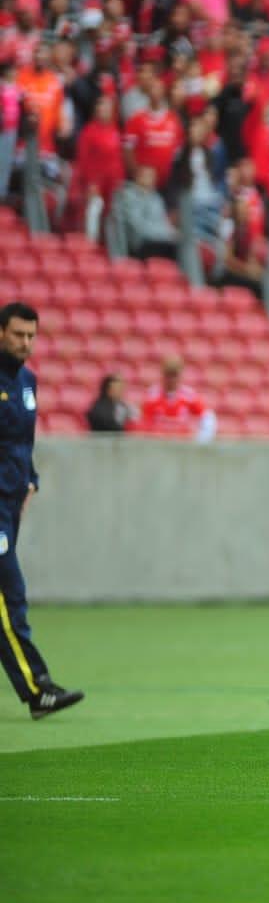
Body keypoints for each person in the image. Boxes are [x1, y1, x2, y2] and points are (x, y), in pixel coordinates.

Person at [0, 303, 84, 719]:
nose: (25, 343)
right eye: (18, 335)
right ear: (1, 333)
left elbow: (21, 442)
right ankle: (38, 689)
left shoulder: (28, 382)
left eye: (31, 336)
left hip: (11, 505)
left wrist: (30, 478)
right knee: (7, 593)